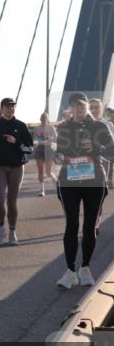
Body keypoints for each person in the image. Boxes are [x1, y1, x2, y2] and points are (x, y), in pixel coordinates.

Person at [55, 94, 113, 288]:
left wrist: (96, 146)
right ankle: (70, 271)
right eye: (74, 107)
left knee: (89, 226)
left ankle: (85, 267)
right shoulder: (64, 128)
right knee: (71, 225)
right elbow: (58, 151)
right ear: (70, 109)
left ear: (88, 106)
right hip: (69, 182)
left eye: (81, 106)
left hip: (94, 181)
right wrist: (56, 156)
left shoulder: (99, 127)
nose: (78, 110)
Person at [0, 98, 33, 246]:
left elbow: (30, 148)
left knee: (11, 201)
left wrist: (15, 142)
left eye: (12, 107)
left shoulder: (21, 126)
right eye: (7, 107)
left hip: (16, 166)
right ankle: (0, 229)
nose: (10, 109)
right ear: (1, 109)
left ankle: (12, 231)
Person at [89, 99, 114, 190]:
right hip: (86, 159)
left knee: (101, 186)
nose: (94, 110)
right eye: (91, 107)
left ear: (101, 109)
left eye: (96, 107)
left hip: (103, 159)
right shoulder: (82, 124)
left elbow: (111, 144)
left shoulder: (108, 124)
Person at [32, 112, 58, 196]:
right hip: (39, 149)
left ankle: (57, 184)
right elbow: (35, 139)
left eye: (45, 118)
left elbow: (55, 139)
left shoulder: (51, 128)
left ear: (47, 119)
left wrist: (50, 138)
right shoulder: (36, 129)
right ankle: (41, 190)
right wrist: (35, 142)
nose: (43, 119)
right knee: (40, 169)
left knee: (48, 172)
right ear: (40, 119)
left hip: (48, 149)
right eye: (42, 118)